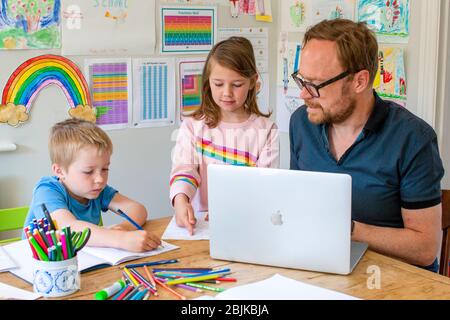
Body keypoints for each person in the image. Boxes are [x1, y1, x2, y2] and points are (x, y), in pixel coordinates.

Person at [289, 19, 444, 272]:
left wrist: (349, 230)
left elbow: (425, 248)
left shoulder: (413, 139)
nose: (303, 94)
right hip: (321, 270)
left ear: (359, 81)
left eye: (314, 85)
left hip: (392, 281)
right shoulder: (302, 122)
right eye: (301, 80)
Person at [170, 36, 279, 235]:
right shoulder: (192, 127)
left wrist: (234, 208)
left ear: (253, 82)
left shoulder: (266, 131)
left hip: (246, 223)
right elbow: (185, 169)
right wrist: (180, 200)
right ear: (208, 82)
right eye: (218, 84)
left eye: (237, 84)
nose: (227, 93)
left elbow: (265, 185)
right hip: (202, 224)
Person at [24, 118, 161, 252]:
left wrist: (124, 228)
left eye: (105, 169)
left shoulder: (98, 190)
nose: (100, 179)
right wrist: (120, 239)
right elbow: (68, 228)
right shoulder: (47, 190)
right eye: (88, 171)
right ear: (59, 171)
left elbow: (137, 209)